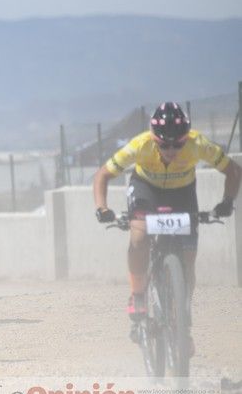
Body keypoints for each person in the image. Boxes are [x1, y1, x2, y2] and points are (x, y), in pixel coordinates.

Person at [93, 102, 241, 349]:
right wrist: (102, 208)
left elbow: (233, 171)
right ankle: (138, 294)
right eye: (164, 144)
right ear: (154, 138)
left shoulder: (198, 144)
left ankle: (182, 319)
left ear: (187, 139)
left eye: (178, 144)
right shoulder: (140, 145)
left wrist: (226, 202)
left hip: (182, 193)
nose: (171, 149)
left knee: (188, 257)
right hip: (146, 189)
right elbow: (102, 175)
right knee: (139, 239)